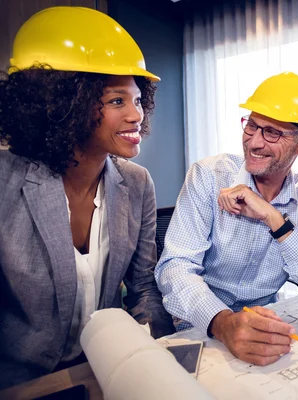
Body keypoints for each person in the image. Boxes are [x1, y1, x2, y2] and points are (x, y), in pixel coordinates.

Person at [0, 7, 174, 389]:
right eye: (116, 102)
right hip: (18, 384)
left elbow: (144, 288)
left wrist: (162, 361)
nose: (136, 115)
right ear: (64, 105)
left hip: (103, 371)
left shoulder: (137, 183)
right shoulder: (5, 182)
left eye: (137, 99)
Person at [155, 72, 298, 367]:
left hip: (265, 317)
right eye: (252, 125)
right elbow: (174, 268)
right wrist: (222, 322)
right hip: (200, 320)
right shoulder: (208, 176)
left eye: (272, 133)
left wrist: (275, 219)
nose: (254, 142)